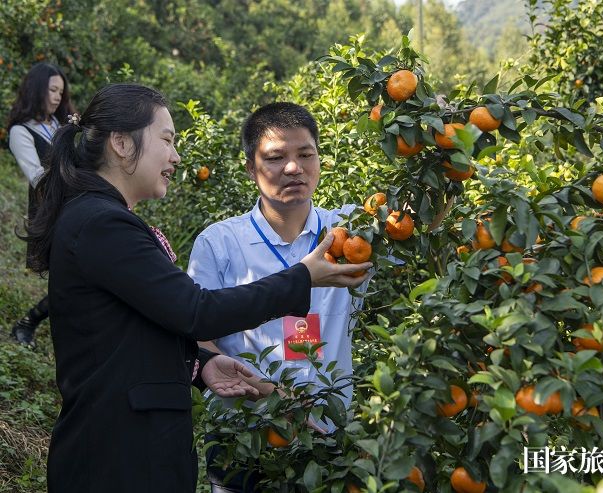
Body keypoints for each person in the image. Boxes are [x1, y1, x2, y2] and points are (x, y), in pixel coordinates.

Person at [24, 83, 370, 493]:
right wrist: (302, 277)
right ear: (121, 142)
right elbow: (195, 311)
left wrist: (203, 365)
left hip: (131, 451)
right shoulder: (103, 223)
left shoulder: (101, 218)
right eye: (167, 140)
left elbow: (144, 330)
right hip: (119, 458)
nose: (175, 156)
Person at [187, 102, 367, 493]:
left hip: (328, 431)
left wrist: (439, 139)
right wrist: (269, 394)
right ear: (251, 168)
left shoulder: (349, 234)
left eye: (305, 155)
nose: (293, 168)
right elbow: (198, 336)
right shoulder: (219, 243)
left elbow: (417, 224)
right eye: (275, 157)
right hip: (243, 437)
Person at [7, 62, 74, 347]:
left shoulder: (59, 124)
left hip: (75, 202)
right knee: (68, 275)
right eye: (52, 90)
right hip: (51, 208)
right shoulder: (21, 131)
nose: (58, 97)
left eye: (61, 91)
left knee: (74, 274)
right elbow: (36, 176)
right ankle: (27, 323)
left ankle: (29, 322)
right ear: (37, 90)